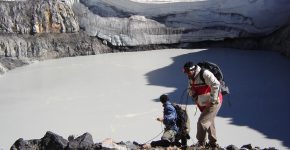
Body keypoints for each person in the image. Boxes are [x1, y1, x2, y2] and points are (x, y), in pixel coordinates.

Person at [183, 61, 222, 149]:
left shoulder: (204, 73)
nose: (186, 74)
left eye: (187, 72)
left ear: (192, 69)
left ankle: (201, 143)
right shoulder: (191, 77)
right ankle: (213, 143)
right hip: (203, 102)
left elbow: (216, 84)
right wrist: (192, 94)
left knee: (202, 122)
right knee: (209, 121)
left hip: (214, 101)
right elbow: (190, 88)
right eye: (185, 72)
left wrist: (212, 100)